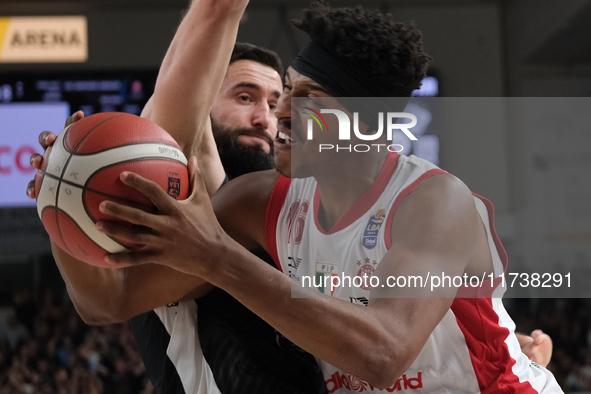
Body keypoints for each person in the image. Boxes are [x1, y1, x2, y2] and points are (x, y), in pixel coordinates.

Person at [26, 0, 556, 392]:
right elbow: (108, 301)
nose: (280, 112)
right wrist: (60, 204)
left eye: (305, 97)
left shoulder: (434, 202)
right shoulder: (258, 200)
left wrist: (217, 257)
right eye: (287, 89)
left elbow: (383, 352)